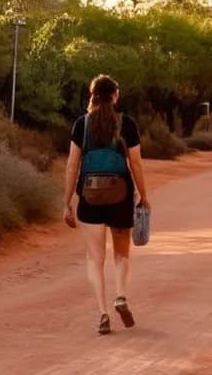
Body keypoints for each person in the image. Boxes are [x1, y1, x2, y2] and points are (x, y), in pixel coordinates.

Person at [62, 75, 150, 335]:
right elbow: (136, 164)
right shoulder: (127, 124)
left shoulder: (82, 124)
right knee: (122, 254)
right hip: (121, 198)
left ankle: (102, 313)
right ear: (115, 96)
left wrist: (66, 201)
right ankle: (120, 296)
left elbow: (71, 165)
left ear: (92, 95)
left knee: (94, 259)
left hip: (89, 199)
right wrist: (144, 196)